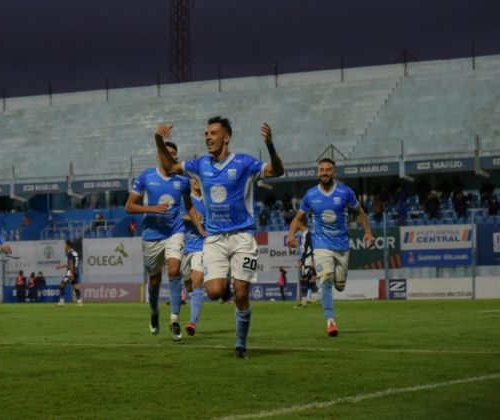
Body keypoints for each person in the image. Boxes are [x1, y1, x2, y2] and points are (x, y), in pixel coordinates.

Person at [154, 116, 284, 358]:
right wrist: (158, 140)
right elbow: (171, 168)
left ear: (226, 137)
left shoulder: (244, 163)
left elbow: (277, 170)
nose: (207, 137)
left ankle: (241, 343)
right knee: (213, 291)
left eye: (213, 133)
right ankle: (227, 286)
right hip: (214, 239)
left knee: (242, 293)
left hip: (243, 236)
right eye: (206, 133)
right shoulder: (201, 164)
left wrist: (270, 147)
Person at [287, 158, 373, 337]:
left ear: (334, 173)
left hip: (341, 245)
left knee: (339, 285)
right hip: (321, 245)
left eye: (328, 170)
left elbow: (359, 213)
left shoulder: (345, 192)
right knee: (325, 280)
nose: (325, 173)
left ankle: (337, 283)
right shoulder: (310, 195)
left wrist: (367, 232)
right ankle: (330, 321)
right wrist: (290, 235)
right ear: (317, 172)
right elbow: (298, 217)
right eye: (322, 170)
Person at [125, 140, 194, 342]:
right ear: (158, 155)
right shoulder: (147, 176)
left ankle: (174, 319)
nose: (170, 156)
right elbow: (129, 207)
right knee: (154, 279)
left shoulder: (183, 181)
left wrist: (198, 223)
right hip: (152, 235)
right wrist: (152, 209)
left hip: (175, 231)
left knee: (174, 270)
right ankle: (154, 311)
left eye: (173, 153)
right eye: (166, 152)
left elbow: (189, 207)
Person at [181, 177, 208, 336]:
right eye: (194, 178)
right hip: (184, 247)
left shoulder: (209, 199)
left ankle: (192, 322)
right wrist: (194, 216)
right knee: (189, 286)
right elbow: (179, 216)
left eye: (200, 178)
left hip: (202, 247)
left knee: (198, 281)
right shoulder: (184, 198)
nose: (197, 181)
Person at [296, 218, 317, 307]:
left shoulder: (308, 234)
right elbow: (303, 249)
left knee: (304, 279)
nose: (296, 225)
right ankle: (313, 298)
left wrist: (312, 260)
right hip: (305, 259)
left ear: (301, 223)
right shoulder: (303, 234)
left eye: (297, 223)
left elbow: (311, 248)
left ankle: (306, 301)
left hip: (307, 260)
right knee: (308, 279)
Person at [56, 240, 83, 306]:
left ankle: (61, 301)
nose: (64, 247)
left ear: (68, 246)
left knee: (62, 284)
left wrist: (71, 273)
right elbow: (72, 263)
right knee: (75, 287)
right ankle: (79, 302)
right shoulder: (75, 253)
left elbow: (71, 263)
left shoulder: (69, 253)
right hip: (76, 271)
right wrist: (61, 266)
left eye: (65, 245)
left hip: (70, 271)